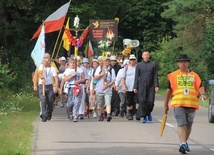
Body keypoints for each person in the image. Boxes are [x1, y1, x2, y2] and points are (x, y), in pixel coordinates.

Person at [164, 54, 206, 154]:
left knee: (188, 125)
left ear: (188, 63)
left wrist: (202, 94)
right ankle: (183, 143)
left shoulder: (194, 75)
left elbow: (200, 86)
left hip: (191, 104)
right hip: (178, 104)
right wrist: (166, 104)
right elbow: (169, 91)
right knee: (181, 124)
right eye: (181, 62)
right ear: (178, 63)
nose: (183, 63)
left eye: (185, 61)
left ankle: (184, 143)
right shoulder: (173, 75)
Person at [134, 50, 159, 123]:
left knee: (150, 101)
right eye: (145, 55)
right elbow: (136, 76)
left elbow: (155, 75)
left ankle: (149, 112)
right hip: (141, 86)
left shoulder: (153, 64)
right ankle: (144, 116)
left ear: (149, 56)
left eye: (147, 54)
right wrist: (135, 87)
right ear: (142, 56)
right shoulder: (139, 65)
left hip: (151, 86)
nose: (146, 56)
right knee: (142, 101)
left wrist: (156, 85)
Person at [93, 57, 116, 122]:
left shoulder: (111, 70)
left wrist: (107, 85)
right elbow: (95, 78)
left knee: (108, 101)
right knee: (100, 104)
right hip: (99, 89)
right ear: (103, 62)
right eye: (106, 61)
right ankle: (102, 114)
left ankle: (108, 114)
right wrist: (101, 75)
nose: (107, 63)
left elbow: (113, 80)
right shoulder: (99, 69)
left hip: (108, 89)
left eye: (108, 61)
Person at [38, 53, 58, 122]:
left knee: (50, 101)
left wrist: (56, 86)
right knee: (43, 100)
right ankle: (44, 116)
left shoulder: (53, 68)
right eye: (43, 61)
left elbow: (56, 78)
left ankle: (49, 112)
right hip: (42, 85)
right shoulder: (41, 66)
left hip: (49, 86)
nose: (44, 62)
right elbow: (40, 73)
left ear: (49, 62)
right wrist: (42, 78)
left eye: (45, 61)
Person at [121, 54, 138, 120]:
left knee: (137, 101)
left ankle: (137, 113)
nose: (132, 61)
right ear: (129, 61)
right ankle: (130, 113)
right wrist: (123, 86)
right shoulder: (126, 68)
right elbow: (123, 78)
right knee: (129, 102)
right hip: (128, 87)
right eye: (131, 60)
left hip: (136, 87)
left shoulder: (137, 67)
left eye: (133, 60)